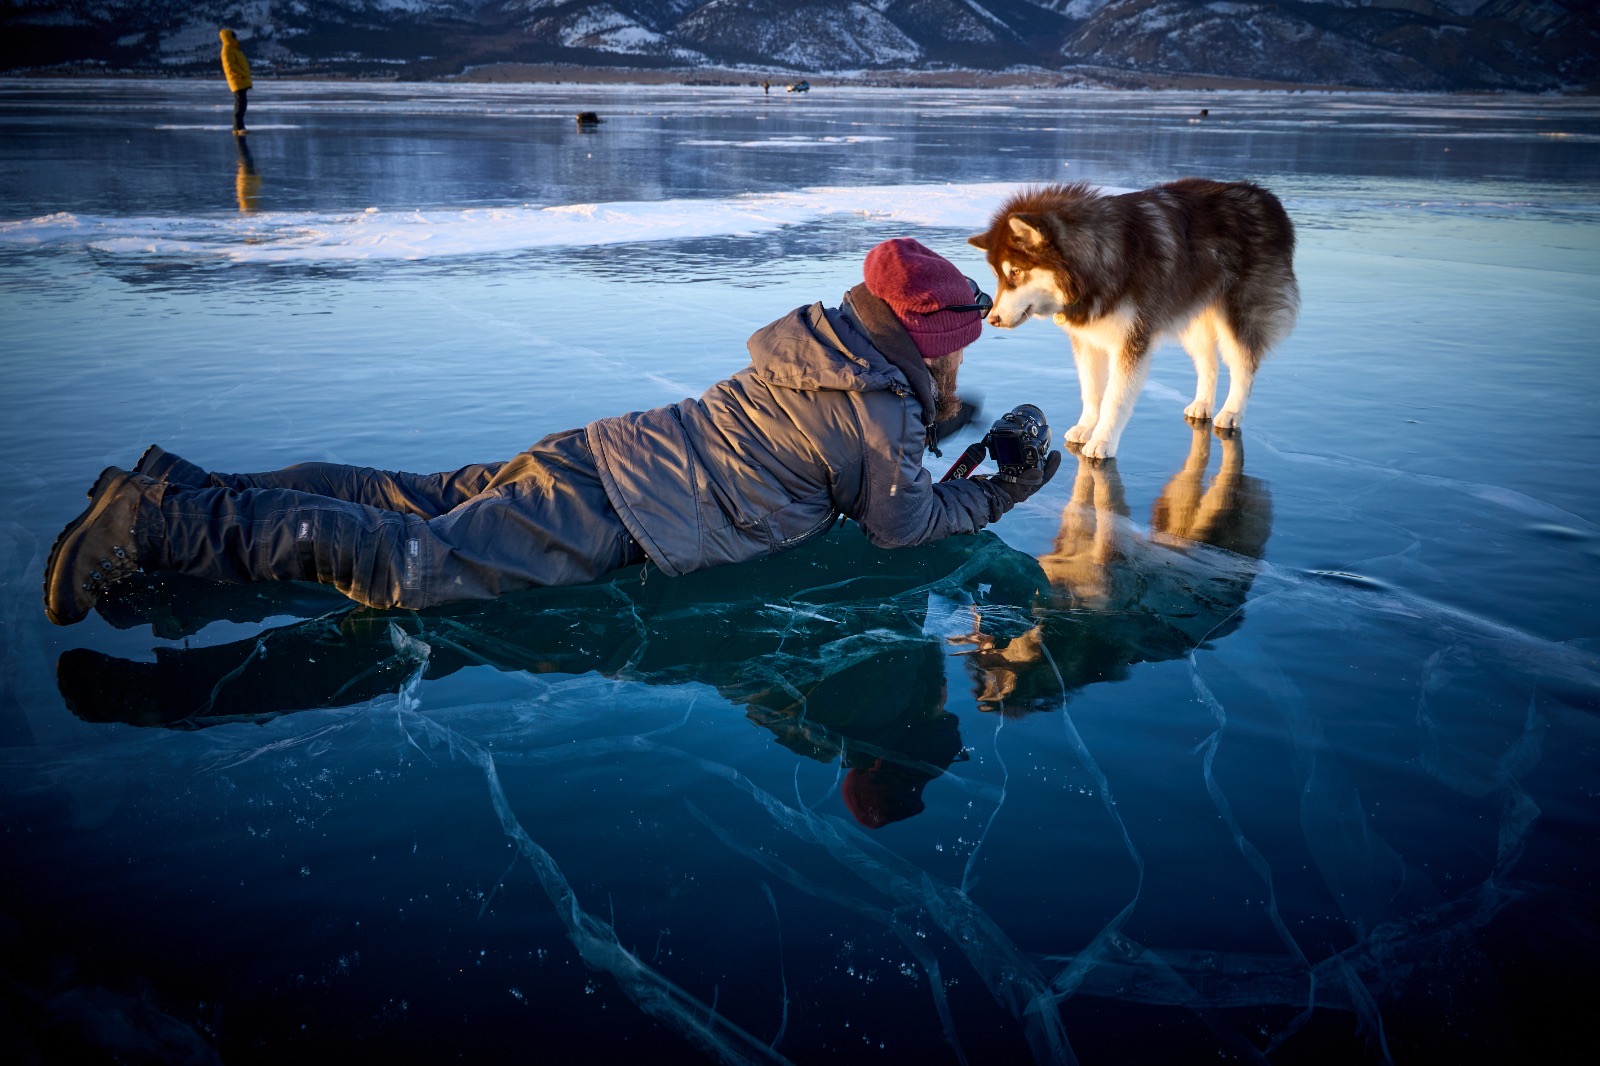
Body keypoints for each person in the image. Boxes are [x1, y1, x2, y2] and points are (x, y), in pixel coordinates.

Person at [42, 238, 1061, 627]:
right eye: (956, 342)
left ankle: (180, 482)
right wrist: (1006, 483)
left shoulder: (822, 342)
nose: (955, 359)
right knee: (412, 564)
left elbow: (851, 444)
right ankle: (158, 524)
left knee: (408, 494)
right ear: (926, 340)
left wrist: (942, 428)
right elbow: (898, 523)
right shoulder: (880, 406)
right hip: (620, 517)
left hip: (607, 450)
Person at [219, 28, 252, 136]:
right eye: (234, 36)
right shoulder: (227, 49)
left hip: (240, 80)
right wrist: (242, 73)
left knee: (242, 103)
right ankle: (238, 127)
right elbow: (230, 66)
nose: (236, 38)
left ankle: (239, 127)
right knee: (240, 103)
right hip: (237, 80)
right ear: (230, 37)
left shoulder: (234, 48)